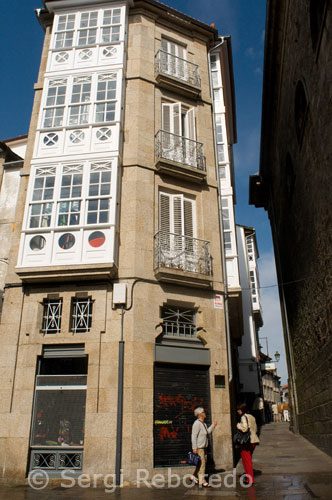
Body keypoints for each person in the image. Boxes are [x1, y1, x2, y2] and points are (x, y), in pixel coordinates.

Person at [191, 407, 217, 487]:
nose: (205, 413)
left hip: (204, 447)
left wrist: (213, 425)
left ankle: (194, 476)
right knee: (202, 464)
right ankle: (202, 481)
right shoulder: (196, 423)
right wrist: (194, 447)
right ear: (200, 414)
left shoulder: (204, 424)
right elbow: (194, 436)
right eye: (204, 412)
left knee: (200, 463)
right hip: (199, 448)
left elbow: (207, 432)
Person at [236, 403, 260, 486]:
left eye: (238, 410)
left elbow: (245, 428)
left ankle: (250, 479)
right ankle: (248, 476)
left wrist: (238, 425)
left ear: (242, 410)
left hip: (246, 442)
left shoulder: (243, 417)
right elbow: (256, 429)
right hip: (253, 440)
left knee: (247, 460)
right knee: (248, 459)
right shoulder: (252, 417)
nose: (238, 411)